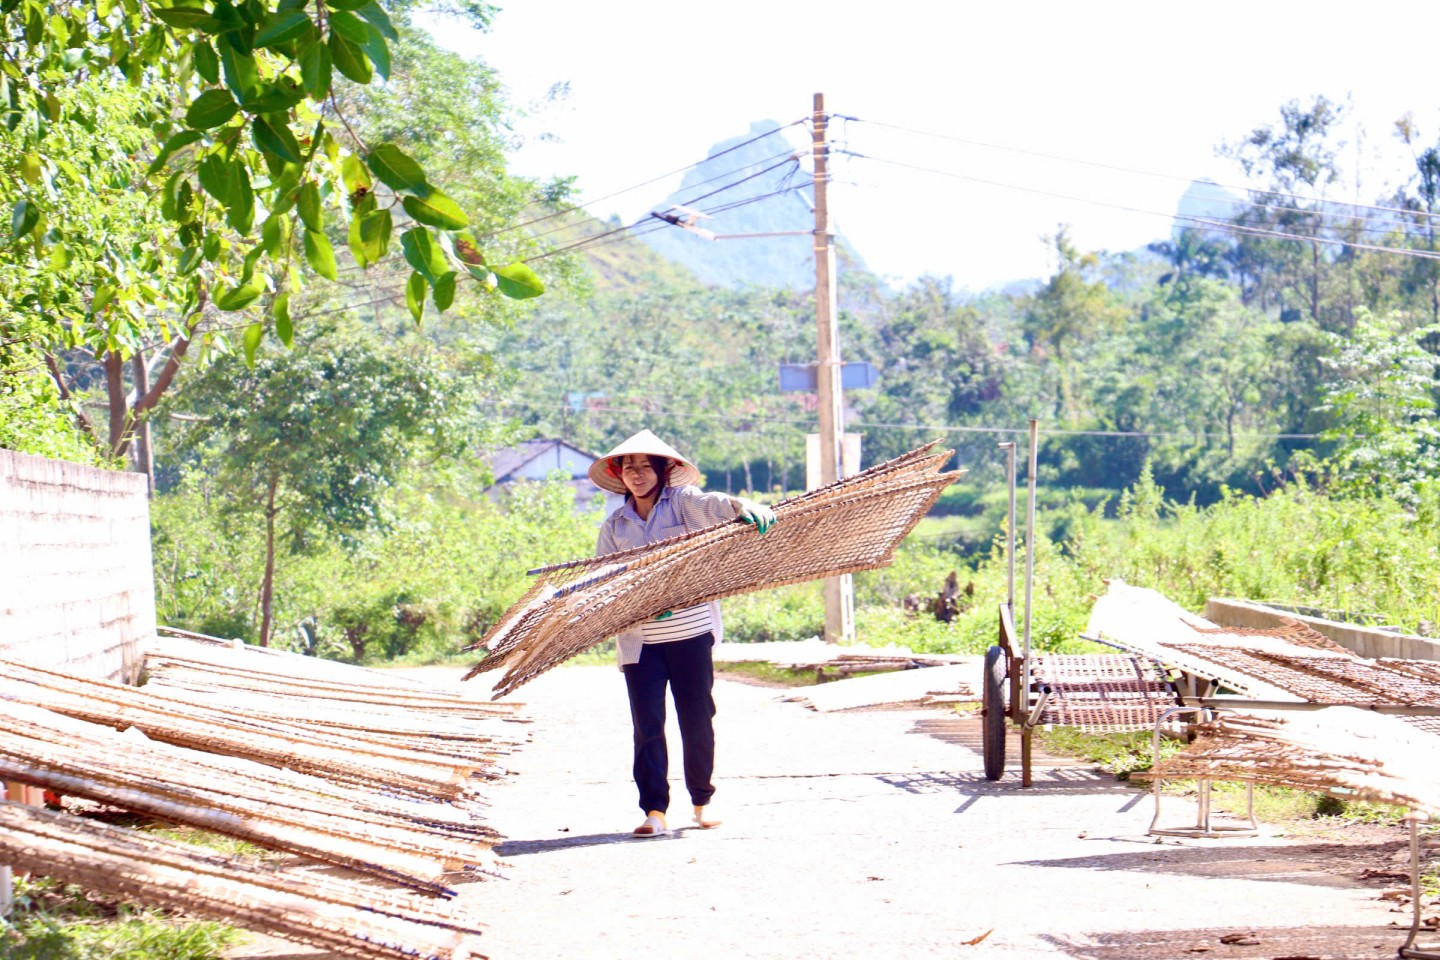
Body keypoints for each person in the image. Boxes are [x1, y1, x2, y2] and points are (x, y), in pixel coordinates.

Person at [589, 429, 776, 839]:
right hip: (641, 643)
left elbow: (717, 506)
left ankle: (702, 801)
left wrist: (746, 505)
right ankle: (655, 810)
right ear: (619, 476)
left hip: (692, 635)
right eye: (629, 468)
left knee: (697, 719)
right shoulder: (616, 526)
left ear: (663, 470)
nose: (637, 475)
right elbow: (600, 582)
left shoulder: (683, 504)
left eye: (645, 467)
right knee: (648, 725)